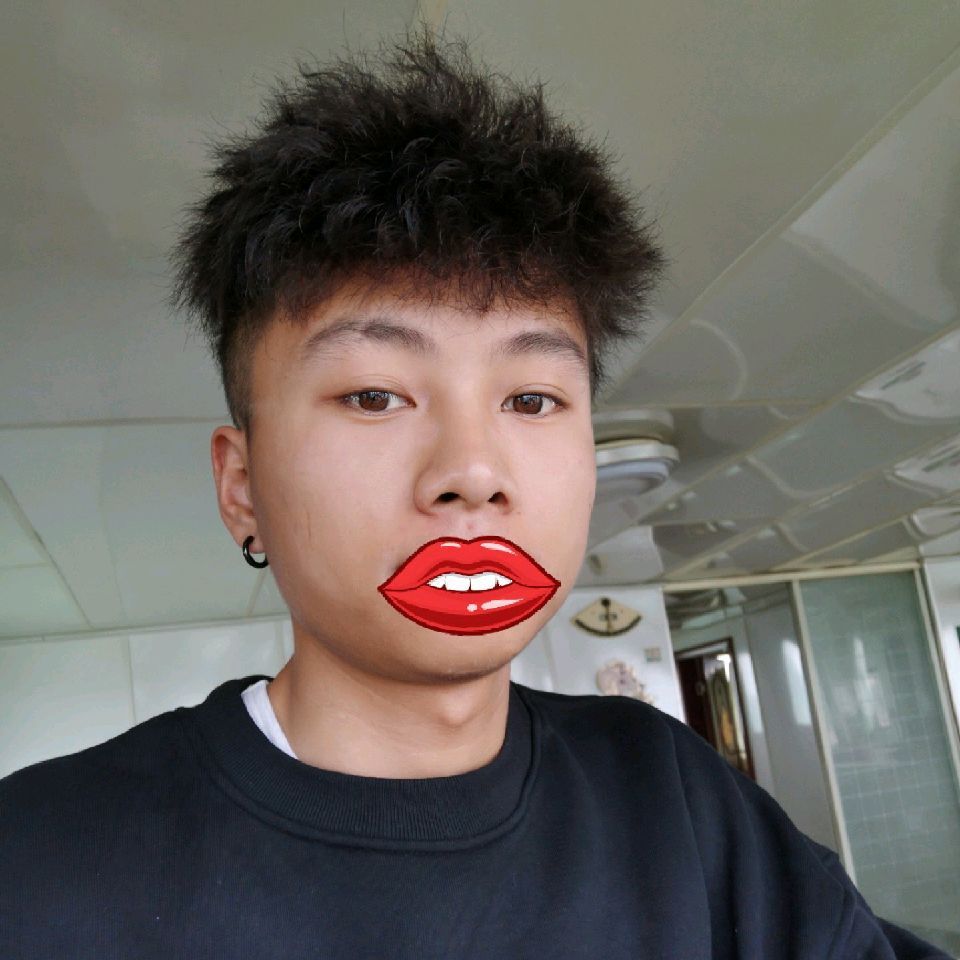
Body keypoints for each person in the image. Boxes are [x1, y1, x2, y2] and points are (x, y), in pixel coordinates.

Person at [0, 30, 951, 960]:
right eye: (374, 396)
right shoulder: (41, 866)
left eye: (531, 399)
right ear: (241, 486)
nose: (473, 471)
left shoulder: (674, 797)